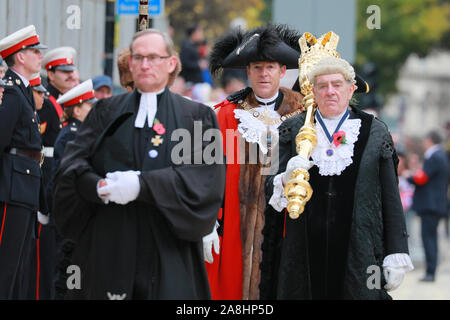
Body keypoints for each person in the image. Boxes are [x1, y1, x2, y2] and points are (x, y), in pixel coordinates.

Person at [52, 28, 225, 299]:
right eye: (139, 57)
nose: (145, 65)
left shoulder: (198, 117)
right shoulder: (104, 111)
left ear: (171, 63)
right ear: (130, 63)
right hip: (110, 244)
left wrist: (142, 186)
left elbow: (206, 180)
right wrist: (96, 187)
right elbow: (71, 167)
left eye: (154, 57)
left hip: (170, 247)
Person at [260, 56, 413, 299]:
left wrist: (396, 251)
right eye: (323, 86)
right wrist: (284, 178)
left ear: (351, 89)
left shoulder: (374, 130)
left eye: (337, 84)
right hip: (302, 252)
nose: (330, 92)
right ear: (313, 91)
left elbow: (390, 195)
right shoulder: (291, 129)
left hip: (360, 251)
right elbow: (267, 188)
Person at [205, 24, 306, 300]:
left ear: (283, 72)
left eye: (270, 67)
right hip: (234, 227)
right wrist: (208, 222)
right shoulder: (225, 115)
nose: (264, 74)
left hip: (287, 223)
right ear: (247, 71)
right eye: (257, 67)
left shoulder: (303, 116)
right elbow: (207, 173)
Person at [0, 25, 48, 299]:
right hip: (12, 185)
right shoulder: (12, 92)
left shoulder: (24, 92)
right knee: (6, 264)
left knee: (19, 265)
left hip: (25, 185)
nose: (39, 56)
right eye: (33, 51)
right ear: (18, 56)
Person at [408, 130, 449, 282]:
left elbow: (422, 177)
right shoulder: (441, 155)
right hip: (436, 204)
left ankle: (430, 272)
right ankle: (431, 270)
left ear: (430, 140)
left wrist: (409, 176)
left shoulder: (434, 156)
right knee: (431, 238)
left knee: (428, 238)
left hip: (430, 204)